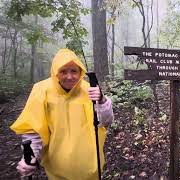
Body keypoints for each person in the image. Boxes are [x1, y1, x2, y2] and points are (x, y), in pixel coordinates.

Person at [10, 49, 114, 180]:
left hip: (91, 167)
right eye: (63, 71)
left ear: (80, 72)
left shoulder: (90, 90)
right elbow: (34, 130)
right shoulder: (41, 90)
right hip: (57, 169)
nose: (69, 77)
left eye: (74, 71)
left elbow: (106, 121)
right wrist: (30, 156)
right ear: (55, 72)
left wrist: (102, 100)